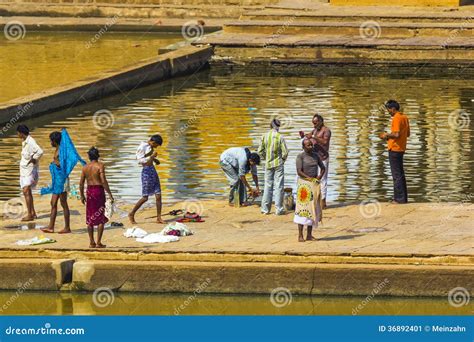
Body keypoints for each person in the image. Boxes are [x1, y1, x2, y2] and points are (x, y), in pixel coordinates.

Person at [41, 129, 85, 233]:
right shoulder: (57, 149)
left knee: (63, 203)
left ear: (54, 141)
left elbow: (65, 164)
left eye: (51, 141)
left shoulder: (62, 151)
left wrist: (57, 165)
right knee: (53, 203)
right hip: (57, 181)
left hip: (62, 180)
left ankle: (67, 227)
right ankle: (51, 227)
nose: (50, 143)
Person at [80, 147, 114, 248]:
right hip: (98, 191)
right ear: (98, 155)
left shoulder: (85, 167)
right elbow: (103, 181)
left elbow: (81, 183)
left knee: (90, 217)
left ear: (89, 156)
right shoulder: (100, 166)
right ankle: (98, 242)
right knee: (100, 217)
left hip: (90, 192)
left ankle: (91, 242)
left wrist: (82, 195)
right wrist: (110, 194)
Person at [294, 138, 326, 242]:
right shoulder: (300, 156)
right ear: (303, 147)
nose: (311, 147)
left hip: (313, 185)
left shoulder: (316, 156)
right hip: (304, 186)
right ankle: (300, 235)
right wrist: (309, 179)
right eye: (308, 145)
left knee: (313, 209)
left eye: (311, 144)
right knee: (302, 210)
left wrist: (318, 178)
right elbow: (299, 171)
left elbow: (323, 168)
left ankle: (309, 235)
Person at [379, 100, 410, 204]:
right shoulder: (404, 117)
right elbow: (408, 134)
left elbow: (396, 134)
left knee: (396, 175)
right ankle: (403, 198)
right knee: (401, 174)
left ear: (393, 108)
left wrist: (386, 135)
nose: (388, 112)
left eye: (388, 109)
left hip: (394, 149)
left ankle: (399, 199)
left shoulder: (396, 118)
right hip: (401, 148)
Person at [129, 134, 164, 224]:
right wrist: (152, 157)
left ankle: (159, 218)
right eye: (156, 145)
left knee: (158, 195)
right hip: (146, 173)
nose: (156, 147)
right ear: (153, 142)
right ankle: (132, 213)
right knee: (145, 197)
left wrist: (155, 160)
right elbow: (140, 160)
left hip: (152, 170)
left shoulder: (149, 147)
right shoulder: (142, 146)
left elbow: (148, 158)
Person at [300, 114, 331, 209]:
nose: (314, 125)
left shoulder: (326, 130)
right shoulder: (315, 130)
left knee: (323, 180)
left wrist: (314, 136)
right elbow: (309, 136)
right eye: (313, 123)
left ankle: (323, 202)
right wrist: (304, 136)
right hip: (314, 158)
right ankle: (314, 199)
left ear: (321, 121)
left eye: (315, 123)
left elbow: (325, 142)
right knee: (313, 178)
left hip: (323, 158)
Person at [258, 118, 288, 215]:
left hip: (268, 164)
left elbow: (260, 151)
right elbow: (285, 153)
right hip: (278, 163)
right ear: (278, 127)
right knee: (279, 186)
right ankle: (278, 209)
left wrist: (265, 158)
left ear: (270, 126)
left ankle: (265, 210)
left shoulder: (264, 136)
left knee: (268, 185)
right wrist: (282, 161)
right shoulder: (280, 137)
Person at [16, 125, 43, 221]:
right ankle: (33, 213)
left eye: (18, 133)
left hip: (29, 171)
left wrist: (34, 160)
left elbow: (40, 151)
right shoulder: (25, 142)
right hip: (24, 171)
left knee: (26, 191)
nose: (17, 134)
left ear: (21, 133)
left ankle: (29, 215)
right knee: (28, 192)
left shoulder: (31, 142)